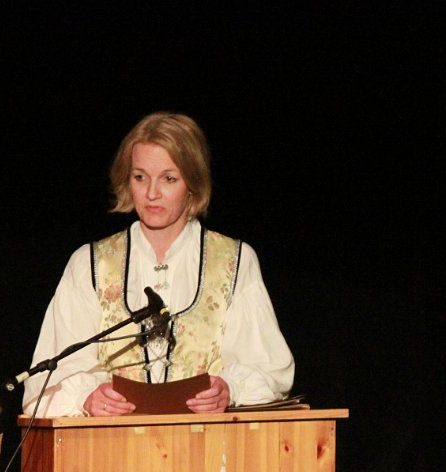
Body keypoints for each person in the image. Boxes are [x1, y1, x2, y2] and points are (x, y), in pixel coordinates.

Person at [21, 111, 294, 417]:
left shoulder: (235, 261)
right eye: (140, 177)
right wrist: (86, 397)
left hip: (207, 441)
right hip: (110, 443)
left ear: (192, 183)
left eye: (169, 179)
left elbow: (269, 368)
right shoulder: (91, 264)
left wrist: (230, 388)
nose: (152, 193)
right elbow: (47, 379)